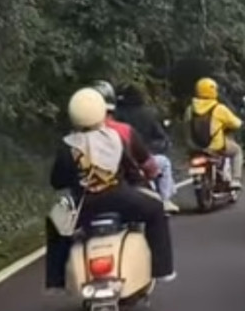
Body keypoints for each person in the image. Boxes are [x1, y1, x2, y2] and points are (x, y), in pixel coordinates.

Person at [45, 87, 176, 291]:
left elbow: (57, 181)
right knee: (156, 210)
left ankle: (56, 279)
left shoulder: (67, 145)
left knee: (54, 223)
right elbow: (131, 169)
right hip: (120, 198)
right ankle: (162, 269)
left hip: (83, 206)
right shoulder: (115, 137)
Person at [116, 84, 180, 214]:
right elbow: (160, 137)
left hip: (119, 162)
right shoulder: (147, 114)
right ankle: (165, 200)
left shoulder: (116, 117)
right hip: (143, 158)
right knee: (165, 163)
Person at [185, 77, 244, 189]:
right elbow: (236, 124)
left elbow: (186, 126)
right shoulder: (219, 108)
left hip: (194, 147)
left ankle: (200, 178)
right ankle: (236, 180)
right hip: (215, 147)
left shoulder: (190, 109)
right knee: (237, 151)